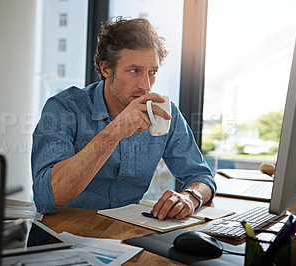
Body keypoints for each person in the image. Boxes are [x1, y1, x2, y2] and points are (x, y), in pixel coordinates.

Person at [31, 17, 215, 220]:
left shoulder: (163, 112)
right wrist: (114, 132)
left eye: (152, 72)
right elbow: (46, 197)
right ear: (106, 69)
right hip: (63, 235)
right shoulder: (64, 108)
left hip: (125, 236)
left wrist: (190, 197)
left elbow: (202, 176)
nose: (145, 85)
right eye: (134, 71)